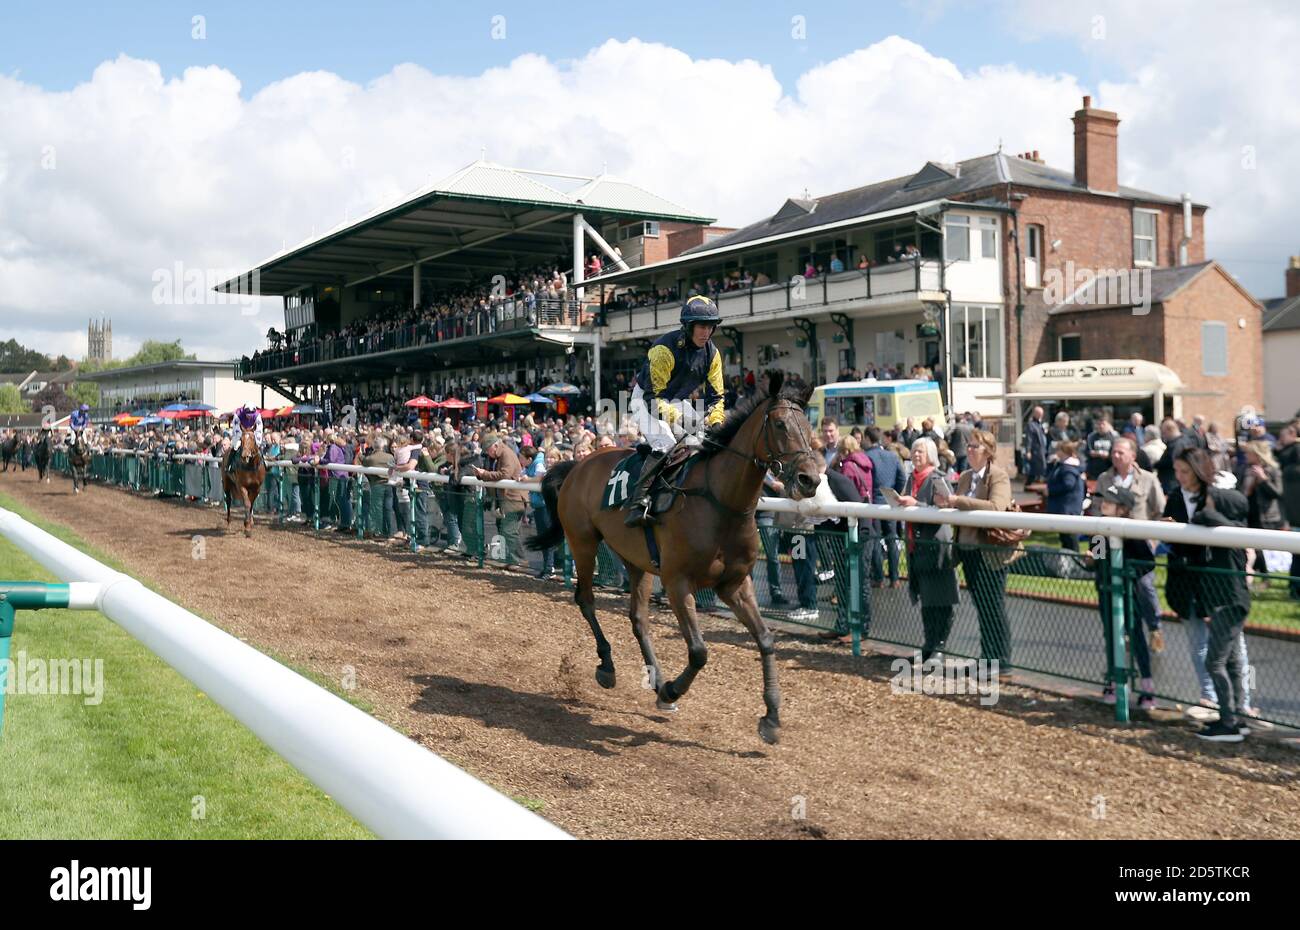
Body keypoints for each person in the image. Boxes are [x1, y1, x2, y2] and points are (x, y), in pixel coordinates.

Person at [1161, 446, 1255, 742]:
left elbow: (1237, 522)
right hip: (1191, 583)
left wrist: (1202, 519)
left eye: (1185, 472)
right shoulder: (1176, 497)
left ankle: (1238, 711)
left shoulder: (1218, 498)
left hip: (1223, 588)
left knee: (1229, 655)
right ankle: (1212, 701)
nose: (1179, 478)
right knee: (1204, 649)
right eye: (1176, 472)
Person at [624, 295, 726, 526]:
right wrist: (680, 419)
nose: (706, 333)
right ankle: (638, 501)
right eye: (701, 326)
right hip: (646, 400)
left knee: (701, 440)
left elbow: (716, 397)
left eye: (710, 327)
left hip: (677, 400)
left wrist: (717, 421)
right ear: (689, 326)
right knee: (665, 443)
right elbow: (653, 399)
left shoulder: (713, 354)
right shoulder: (663, 350)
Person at [937, 429, 1015, 672]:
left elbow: (996, 507)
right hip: (968, 550)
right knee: (981, 606)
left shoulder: (998, 477)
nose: (969, 450)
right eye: (968, 446)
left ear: (988, 451)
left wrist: (957, 502)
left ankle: (1000, 660)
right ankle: (987, 656)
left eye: (975, 447)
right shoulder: (966, 477)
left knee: (993, 605)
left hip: (990, 552)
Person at [1093, 436, 1167, 652]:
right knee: (1109, 587)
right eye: (1113, 452)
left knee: (1144, 586)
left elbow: (1159, 510)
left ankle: (1155, 628)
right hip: (1109, 546)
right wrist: (1096, 552)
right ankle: (1120, 635)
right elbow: (1097, 515)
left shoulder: (1148, 479)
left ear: (1132, 456)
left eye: (1120, 452)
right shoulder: (1104, 479)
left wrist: (1152, 541)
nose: (1115, 456)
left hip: (1139, 547)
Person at [1087, 485, 1156, 708]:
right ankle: (1114, 681)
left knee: (1136, 636)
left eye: (1110, 500)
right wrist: (1091, 560)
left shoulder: (1131, 532)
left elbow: (1147, 561)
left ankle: (1146, 685)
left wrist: (1128, 574)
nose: (1103, 503)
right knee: (1111, 635)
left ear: (1123, 509)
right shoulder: (1099, 529)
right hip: (1105, 589)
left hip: (1129, 593)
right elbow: (1096, 558)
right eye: (1103, 499)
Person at [895, 438, 959, 664]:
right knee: (925, 599)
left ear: (930, 454)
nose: (915, 455)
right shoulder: (911, 478)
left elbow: (945, 508)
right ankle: (928, 644)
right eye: (913, 451)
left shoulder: (937, 479)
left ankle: (939, 647)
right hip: (916, 546)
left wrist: (916, 505)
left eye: (920, 452)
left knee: (939, 599)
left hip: (935, 548)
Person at [474, 432, 529, 569]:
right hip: (505, 499)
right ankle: (511, 559)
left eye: (488, 450)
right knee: (505, 530)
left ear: (495, 445)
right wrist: (482, 476)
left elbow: (505, 474)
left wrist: (484, 474)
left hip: (513, 499)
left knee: (509, 531)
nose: (487, 453)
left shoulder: (506, 454)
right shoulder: (500, 455)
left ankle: (519, 561)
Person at [863, 427, 905, 587]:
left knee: (875, 541)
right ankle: (895, 578)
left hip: (873, 503)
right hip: (890, 501)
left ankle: (879, 578)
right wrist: (894, 494)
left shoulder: (866, 456)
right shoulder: (892, 456)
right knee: (892, 539)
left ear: (867, 438)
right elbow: (902, 478)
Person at [1045, 439, 1087, 551]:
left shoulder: (1068, 468)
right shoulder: (1061, 465)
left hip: (1067, 507)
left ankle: (1075, 561)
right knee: (1065, 538)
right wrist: (1051, 464)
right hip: (1064, 507)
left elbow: (1068, 484)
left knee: (1070, 538)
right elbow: (1049, 475)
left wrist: (1051, 491)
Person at [227, 404, 264, 474]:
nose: (249, 416)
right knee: (236, 446)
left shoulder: (257, 415)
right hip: (241, 431)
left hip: (252, 432)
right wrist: (242, 436)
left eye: (251, 414)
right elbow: (236, 428)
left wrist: (258, 441)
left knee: (259, 446)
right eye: (248, 414)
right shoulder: (238, 414)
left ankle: (264, 463)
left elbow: (259, 429)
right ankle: (229, 465)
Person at [1024, 406, 1048, 483]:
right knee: (1037, 467)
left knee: (1039, 467)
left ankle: (1035, 481)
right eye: (1039, 414)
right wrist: (1028, 450)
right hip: (1036, 449)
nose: (1040, 416)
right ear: (1034, 414)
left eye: (1041, 414)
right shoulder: (1031, 424)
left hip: (1042, 448)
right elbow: (1029, 438)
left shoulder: (1040, 424)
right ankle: (1030, 482)